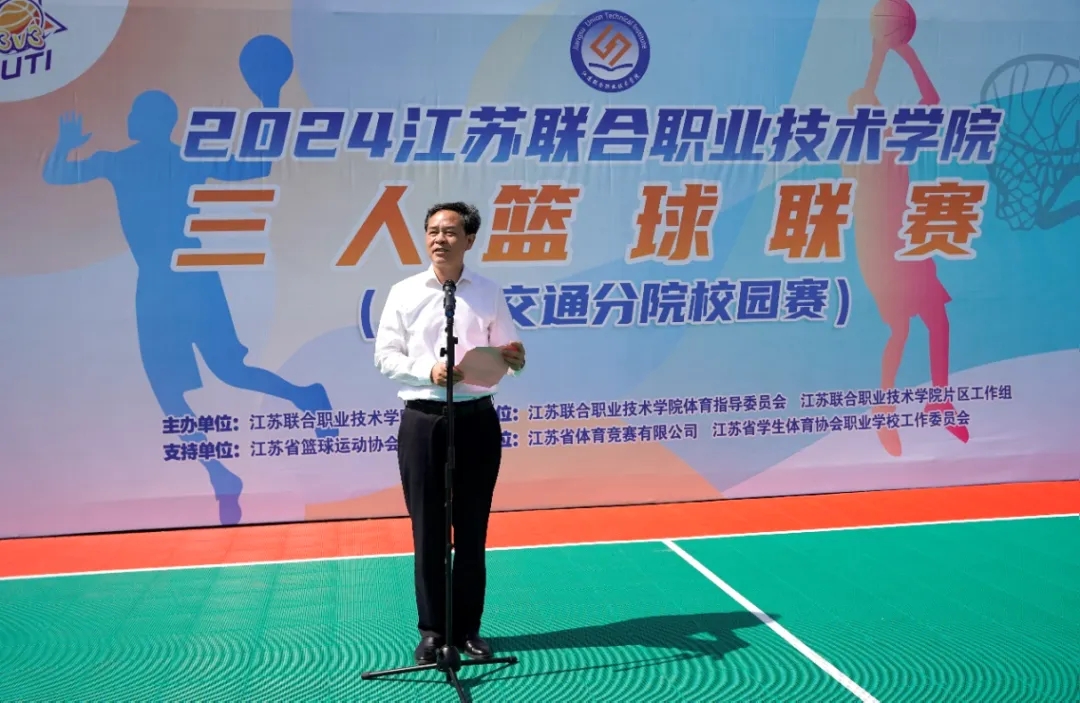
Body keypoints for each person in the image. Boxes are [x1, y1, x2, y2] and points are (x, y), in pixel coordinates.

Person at [373, 201, 526, 665]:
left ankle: (468, 631)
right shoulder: (404, 292)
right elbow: (385, 356)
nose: (440, 239)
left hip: (476, 418)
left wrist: (515, 359)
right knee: (429, 532)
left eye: (451, 232)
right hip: (424, 421)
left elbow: (508, 351)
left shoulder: (489, 292)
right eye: (433, 231)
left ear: (469, 240)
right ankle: (433, 631)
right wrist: (429, 370)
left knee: (472, 530)